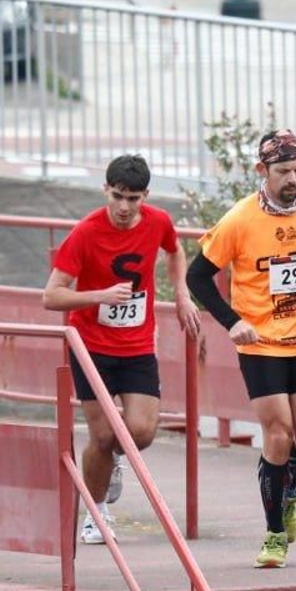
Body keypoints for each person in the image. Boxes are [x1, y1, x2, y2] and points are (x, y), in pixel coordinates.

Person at [187, 129, 296, 568]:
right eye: (283, 171)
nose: (292, 179)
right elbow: (197, 277)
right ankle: (275, 534)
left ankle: (285, 486)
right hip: (261, 345)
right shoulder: (239, 220)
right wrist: (232, 322)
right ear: (262, 170)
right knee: (278, 434)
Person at [42, 154, 200, 545]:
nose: (125, 207)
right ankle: (96, 514)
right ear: (105, 191)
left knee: (141, 433)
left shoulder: (159, 222)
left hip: (136, 344)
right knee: (101, 437)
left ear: (145, 196)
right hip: (91, 346)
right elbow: (51, 296)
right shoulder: (86, 232)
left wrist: (181, 294)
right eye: (117, 196)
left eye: (133, 198)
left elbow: (174, 251)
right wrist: (99, 296)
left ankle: (110, 462)